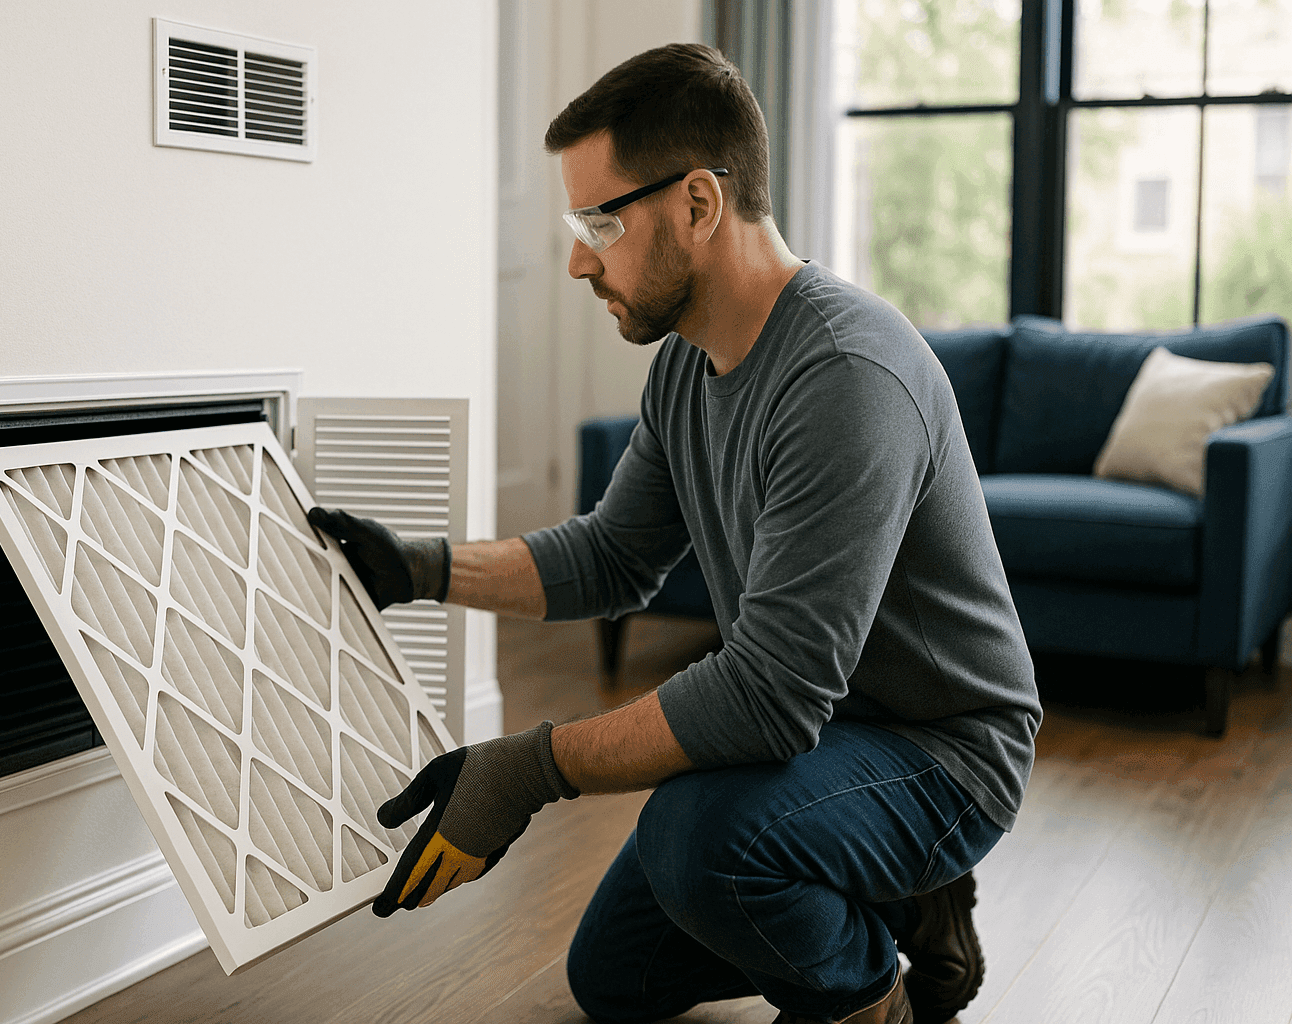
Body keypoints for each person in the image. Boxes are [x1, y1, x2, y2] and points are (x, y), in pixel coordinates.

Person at [308, 42, 1041, 1024]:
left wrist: (525, 768)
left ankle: (876, 990)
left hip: (939, 748)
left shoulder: (845, 378)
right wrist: (419, 568)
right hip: (824, 733)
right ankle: (900, 889)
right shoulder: (689, 370)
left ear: (699, 204)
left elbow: (771, 699)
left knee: (704, 843)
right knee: (616, 978)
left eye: (598, 220)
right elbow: (614, 555)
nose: (575, 258)